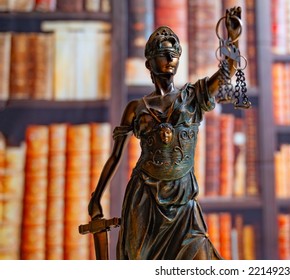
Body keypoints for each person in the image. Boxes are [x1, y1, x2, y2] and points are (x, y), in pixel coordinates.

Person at [87, 7, 242, 260]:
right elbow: (115, 157)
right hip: (145, 197)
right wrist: (97, 197)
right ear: (149, 62)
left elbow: (225, 75)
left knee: (201, 258)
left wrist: (232, 40)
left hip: (183, 199)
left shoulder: (192, 97)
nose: (171, 59)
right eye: (163, 54)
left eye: (175, 54)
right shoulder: (135, 109)